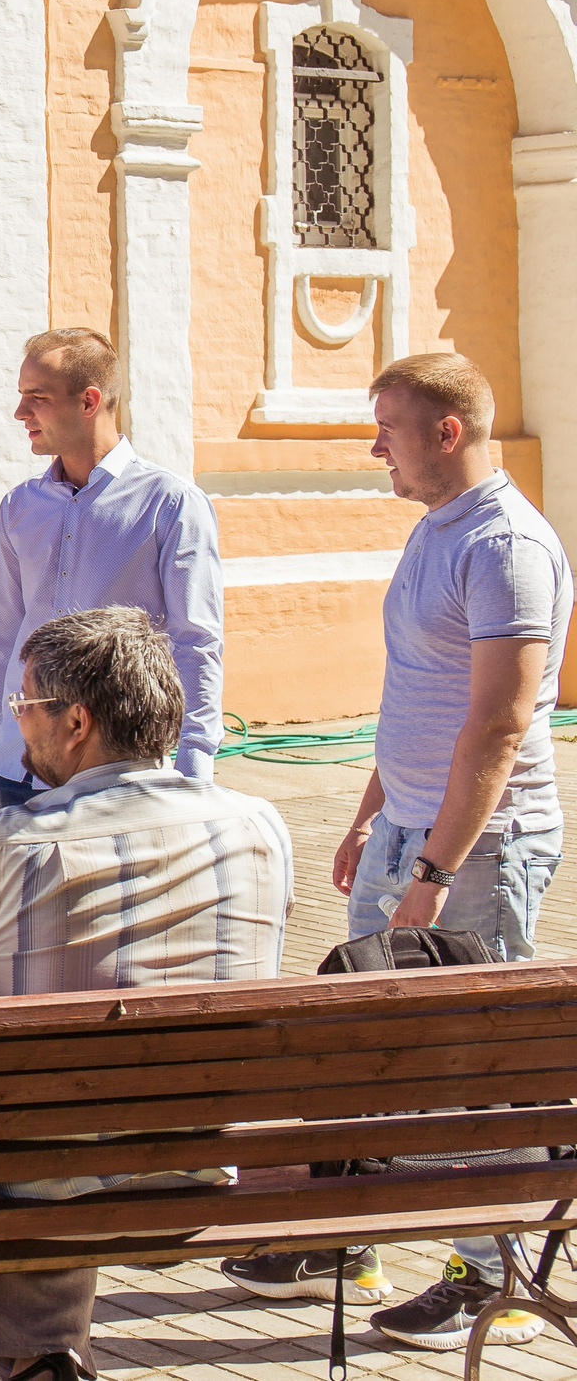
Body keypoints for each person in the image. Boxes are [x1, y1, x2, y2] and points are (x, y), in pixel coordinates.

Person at [222, 354, 566, 1349]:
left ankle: (486, 1274)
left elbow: (497, 727)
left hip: (477, 847)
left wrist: (433, 872)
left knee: (469, 1060)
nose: (375, 446)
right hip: (409, 832)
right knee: (366, 1045)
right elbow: (418, 689)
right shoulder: (434, 531)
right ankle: (349, 1238)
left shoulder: (505, 545)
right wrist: (371, 813)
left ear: (447, 431)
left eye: (389, 427)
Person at [0, 607, 294, 1381]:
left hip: (49, 1171)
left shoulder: (7, 845)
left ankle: (37, 1360)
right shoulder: (261, 826)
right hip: (209, 1157)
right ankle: (46, 1355)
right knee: (65, 1110)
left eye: (23, 705)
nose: (17, 726)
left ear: (77, 721)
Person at [0, 328, 224, 825]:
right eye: (21, 398)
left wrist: (194, 769)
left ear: (90, 401)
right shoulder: (20, 507)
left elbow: (195, 642)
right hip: (13, 769)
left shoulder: (171, 505)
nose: (21, 414)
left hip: (116, 774)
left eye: (37, 398)